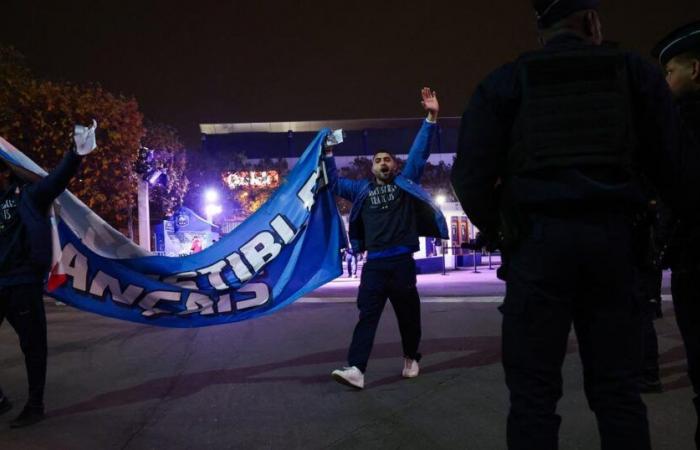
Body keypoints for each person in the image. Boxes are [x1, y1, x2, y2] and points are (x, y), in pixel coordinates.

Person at [450, 1, 690, 448]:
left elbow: (469, 177)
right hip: (615, 245)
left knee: (533, 399)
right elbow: (675, 170)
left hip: (538, 249)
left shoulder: (506, 83)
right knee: (619, 394)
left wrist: (506, 232)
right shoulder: (635, 74)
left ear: (541, 32)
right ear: (594, 23)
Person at [325, 88, 448, 389]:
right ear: (372, 167)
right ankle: (356, 368)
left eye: (387, 160)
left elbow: (419, 152)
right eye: (378, 159)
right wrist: (328, 152)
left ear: (394, 166)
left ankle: (410, 357)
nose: (382, 163)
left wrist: (430, 118)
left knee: (409, 316)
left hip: (402, 263)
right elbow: (333, 182)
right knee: (367, 316)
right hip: (375, 266)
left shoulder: (406, 183)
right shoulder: (361, 190)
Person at [0, 120, 98, 428]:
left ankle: (35, 404)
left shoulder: (26, 196)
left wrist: (76, 154)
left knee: (32, 345)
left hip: (22, 282)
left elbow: (55, 181)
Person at [652, 20, 700, 447]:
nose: (667, 81)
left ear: (695, 70)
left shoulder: (682, 123)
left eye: (670, 72)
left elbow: (677, 189)